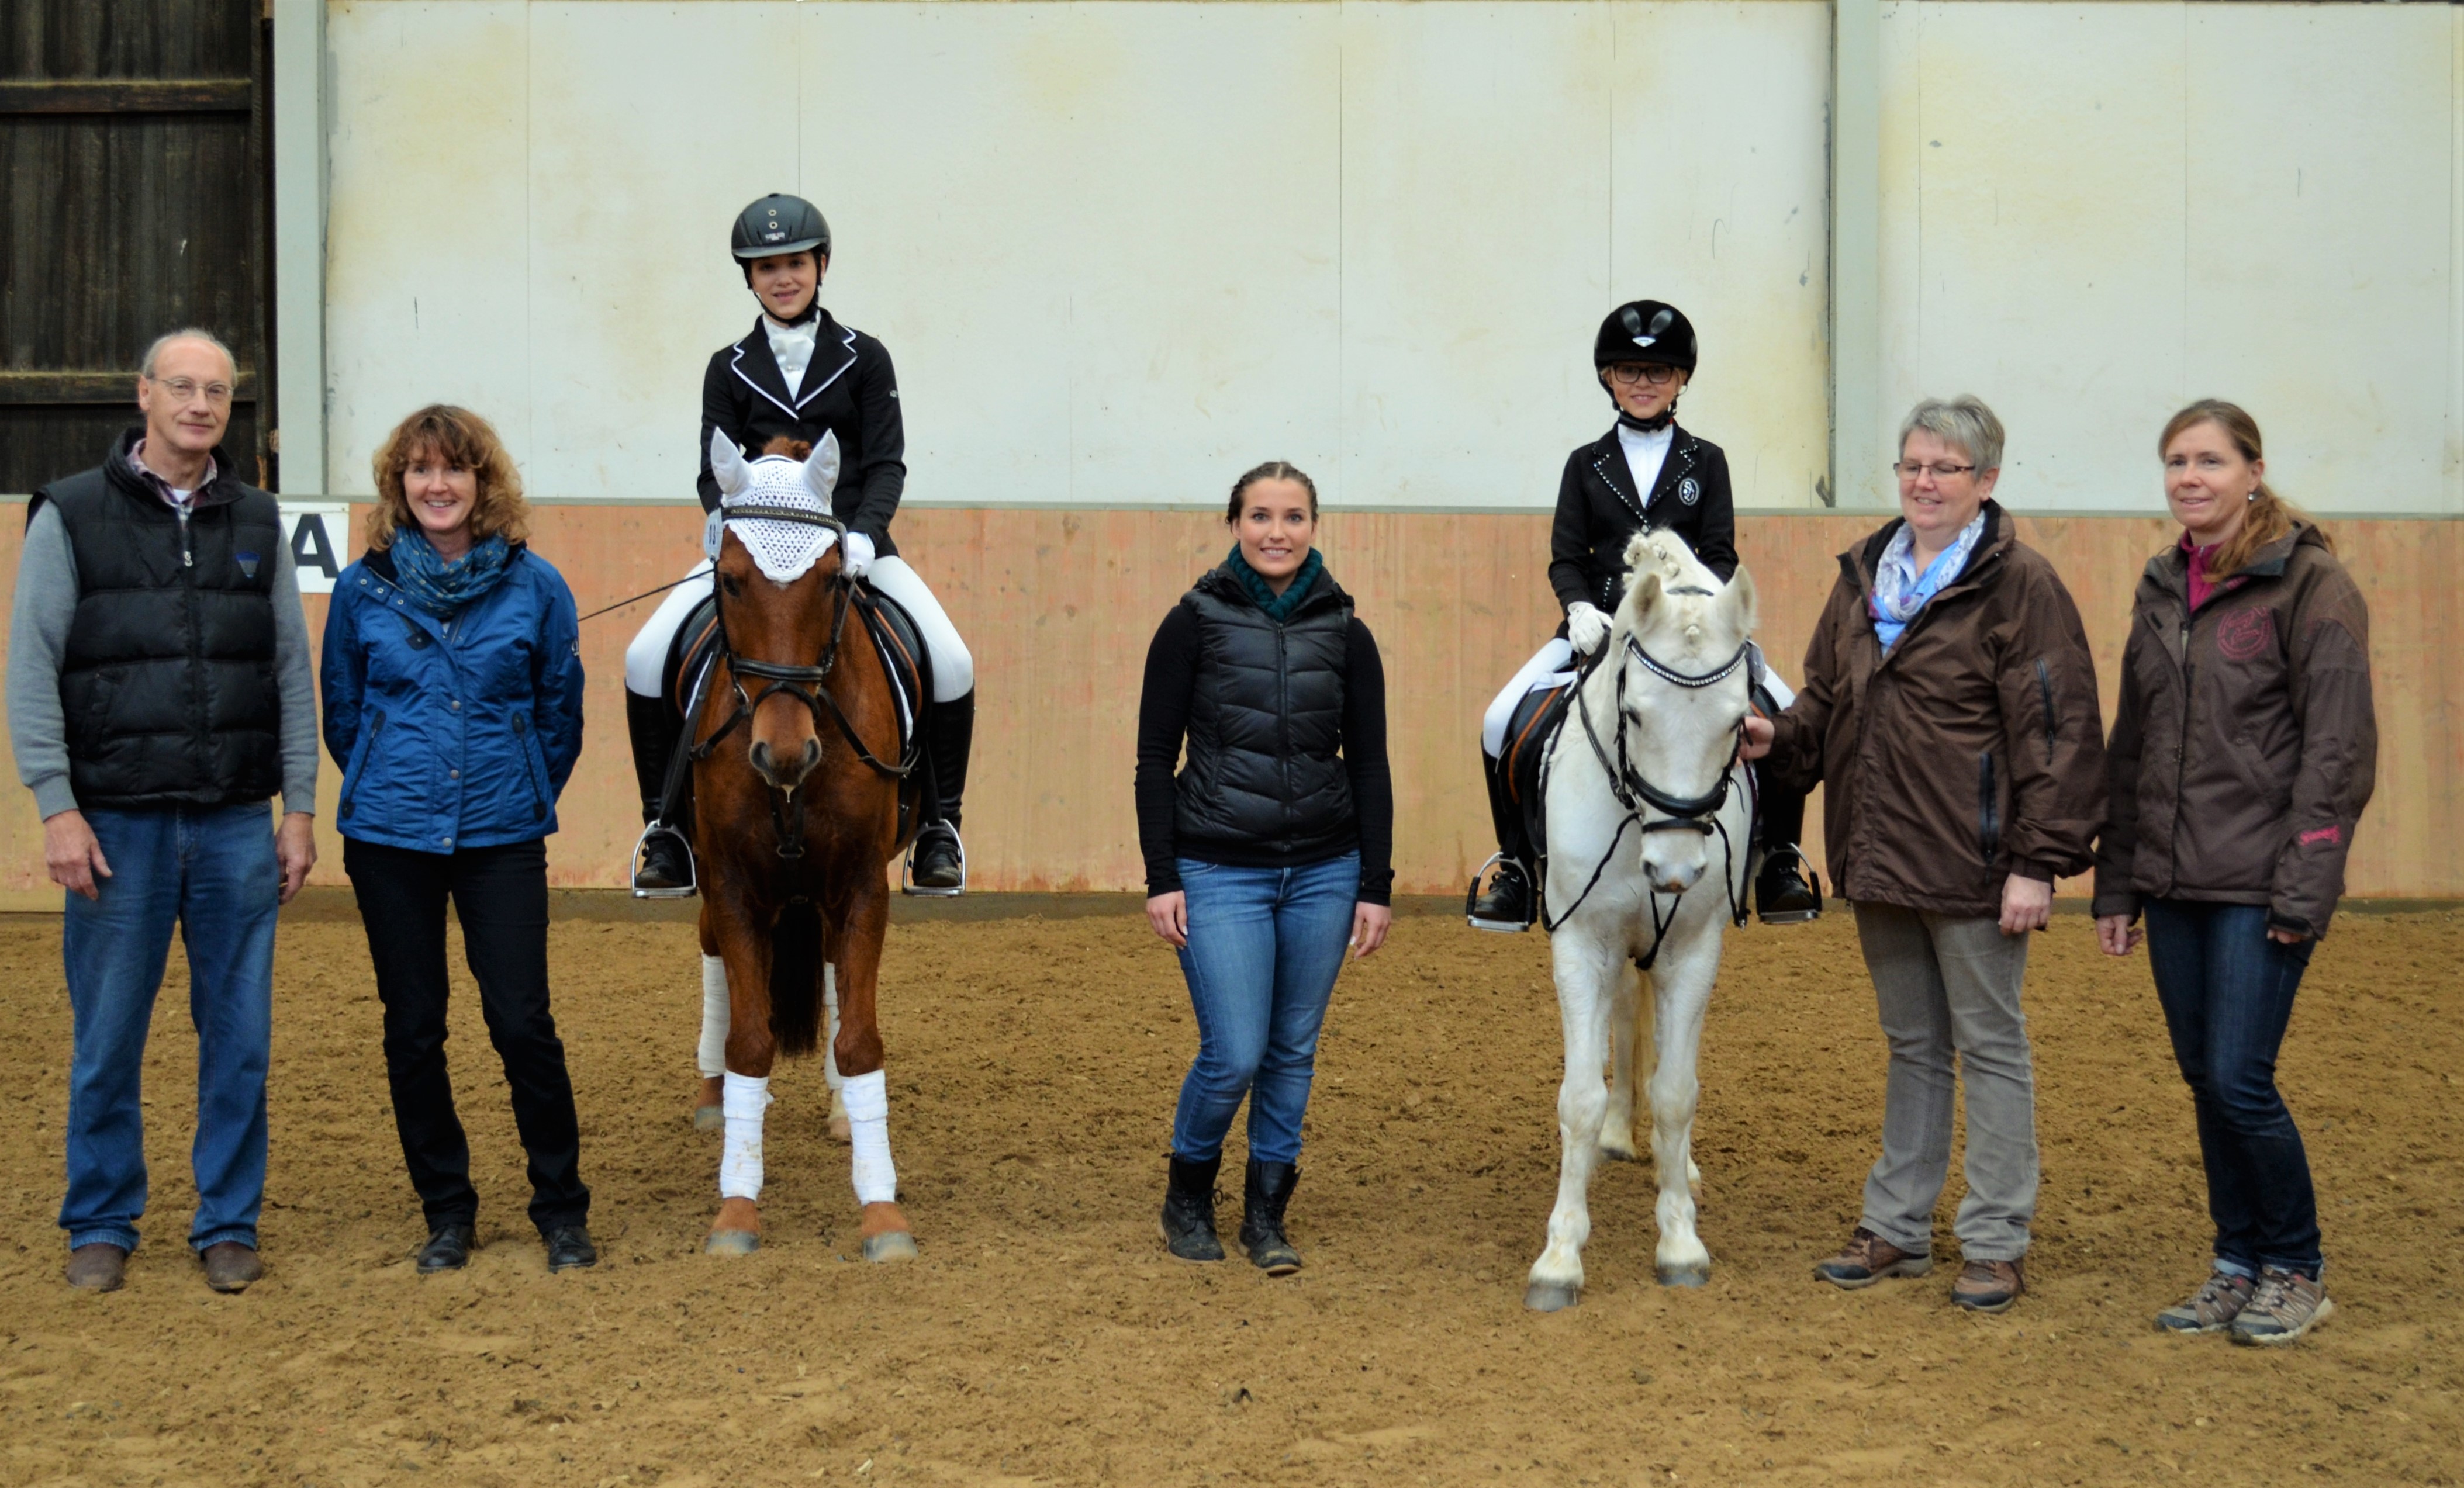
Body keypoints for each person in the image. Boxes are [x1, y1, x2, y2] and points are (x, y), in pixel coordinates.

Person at [1742, 395, 2106, 1314]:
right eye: (1912, 465)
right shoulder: (1864, 573)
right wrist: (1776, 737)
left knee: (1989, 1044)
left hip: (1973, 860)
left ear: (1985, 480)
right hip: (1877, 850)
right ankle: (1896, 1224)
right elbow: (1824, 698)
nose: (1924, 481)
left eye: (1944, 467)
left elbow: (2056, 730)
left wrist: (2036, 861)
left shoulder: (2019, 585)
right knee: (1912, 1043)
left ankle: (1994, 1239)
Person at [8, 328, 319, 1293]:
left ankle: (228, 1221)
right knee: (107, 1036)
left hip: (234, 823)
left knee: (240, 1039)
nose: (199, 404)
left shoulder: (257, 518)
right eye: (181, 386)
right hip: (115, 825)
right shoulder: (70, 513)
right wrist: (57, 807)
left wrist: (299, 808)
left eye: (216, 391)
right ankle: (101, 1219)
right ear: (143, 395)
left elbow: (288, 668)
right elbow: (32, 667)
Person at [2092, 400, 2375, 1346]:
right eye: (2176, 460)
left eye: (2210, 460)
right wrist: (2118, 880)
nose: (2189, 476)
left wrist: (2304, 887)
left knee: (2239, 1078)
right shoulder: (2161, 586)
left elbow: (2336, 750)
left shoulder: (2311, 586)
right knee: (2205, 1080)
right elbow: (2133, 744)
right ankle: (2235, 1262)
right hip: (2174, 880)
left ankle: (2294, 1265)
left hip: (2260, 879)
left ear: (2253, 471)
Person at [624, 192, 974, 901]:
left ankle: (940, 826)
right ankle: (666, 829)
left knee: (952, 659)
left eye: (795, 263)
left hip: (850, 548)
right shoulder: (727, 366)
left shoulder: (865, 357)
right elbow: (713, 470)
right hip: (756, 554)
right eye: (766, 268)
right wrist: (726, 526)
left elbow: (887, 463)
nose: (783, 278)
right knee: (644, 654)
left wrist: (864, 535)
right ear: (749, 278)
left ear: (821, 265)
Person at [322, 404, 596, 1275]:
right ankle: (447, 1209)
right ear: (397, 484)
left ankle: (561, 1208)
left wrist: (517, 783)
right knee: (413, 1029)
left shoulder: (536, 586)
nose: (436, 485)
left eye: (453, 468)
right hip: (389, 837)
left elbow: (559, 712)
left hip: (501, 835)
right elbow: (344, 711)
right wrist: (392, 776)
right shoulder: (362, 589)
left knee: (522, 1023)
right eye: (419, 469)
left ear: (484, 481)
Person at [1468, 300, 1819, 932]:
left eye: (1658, 371)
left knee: (1783, 712)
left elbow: (1719, 553)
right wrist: (1578, 607)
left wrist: (1699, 613)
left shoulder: (1706, 461)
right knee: (1500, 720)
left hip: (1690, 633)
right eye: (1629, 370)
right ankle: (1515, 866)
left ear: (1681, 379)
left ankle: (1779, 859)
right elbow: (1566, 557)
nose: (1643, 382)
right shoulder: (1585, 463)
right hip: (1599, 628)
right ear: (1608, 377)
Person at [1138, 462, 1394, 1275]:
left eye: (1292, 517)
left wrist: (1375, 884)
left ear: (1313, 525)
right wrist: (1161, 875)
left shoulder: (1347, 631)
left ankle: (1266, 1214)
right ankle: (1187, 1194)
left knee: (1292, 1051)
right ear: (1234, 524)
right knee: (1235, 1052)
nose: (1276, 532)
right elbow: (1153, 758)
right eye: (1259, 516)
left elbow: (1370, 764)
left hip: (1325, 868)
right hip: (1218, 868)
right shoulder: (1191, 622)